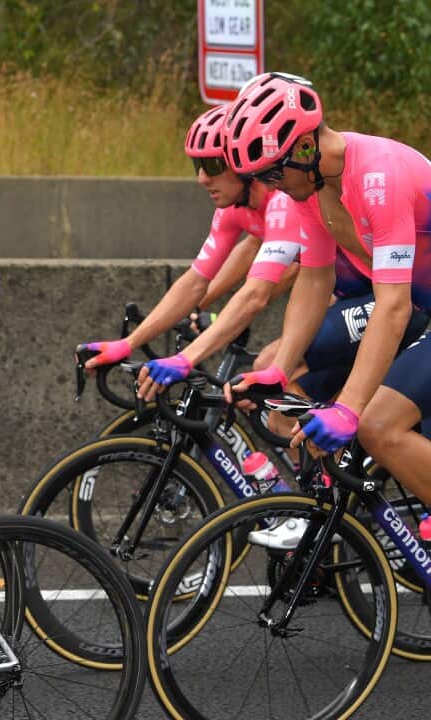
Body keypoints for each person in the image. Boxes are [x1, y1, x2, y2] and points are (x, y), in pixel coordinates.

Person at [224, 73, 431, 500]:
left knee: (376, 424)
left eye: (272, 172)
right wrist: (281, 368)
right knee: (377, 426)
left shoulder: (378, 176)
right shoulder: (313, 193)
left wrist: (348, 409)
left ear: (304, 148)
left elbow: (394, 307)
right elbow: (316, 280)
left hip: (411, 307)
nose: (270, 186)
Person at [79, 103, 301, 393]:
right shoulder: (236, 208)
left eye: (210, 166)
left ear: (242, 161)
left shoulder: (283, 203)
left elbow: (258, 293)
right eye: (198, 166)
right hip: (330, 300)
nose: (201, 179)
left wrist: (186, 358)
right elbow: (196, 281)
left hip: (358, 293)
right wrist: (128, 343)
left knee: (269, 367)